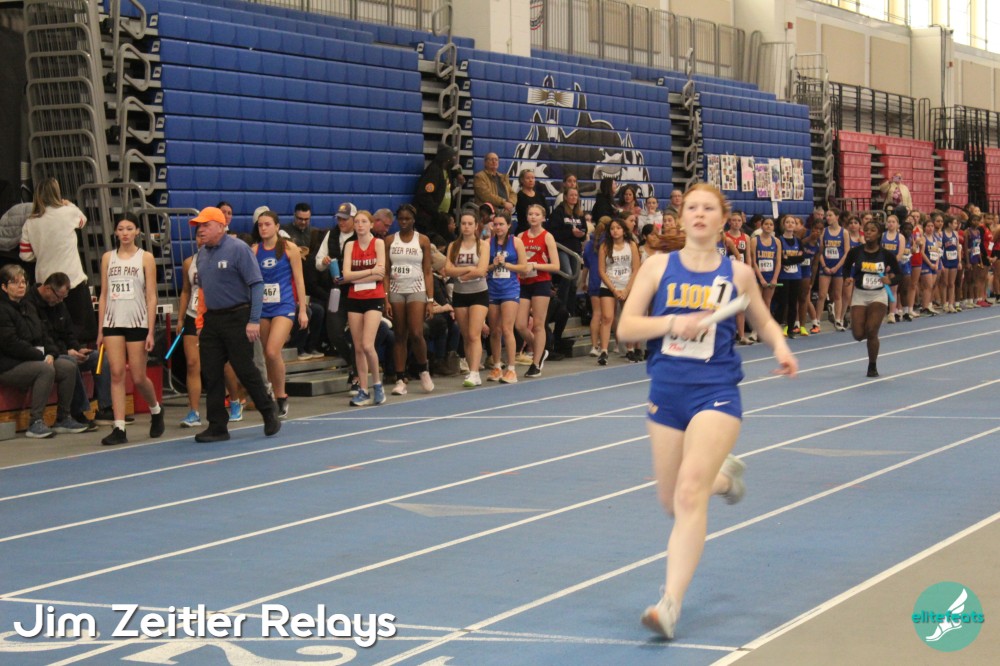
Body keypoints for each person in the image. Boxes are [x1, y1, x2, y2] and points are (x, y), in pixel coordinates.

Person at [616, 183, 797, 640]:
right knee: (671, 499)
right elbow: (626, 328)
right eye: (692, 207)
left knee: (688, 494)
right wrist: (673, 322)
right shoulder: (658, 266)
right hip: (666, 391)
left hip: (716, 391)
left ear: (723, 219)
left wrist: (780, 348)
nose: (698, 213)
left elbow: (763, 320)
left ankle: (670, 604)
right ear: (682, 217)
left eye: (708, 208)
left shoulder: (738, 274)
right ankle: (725, 477)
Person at [188, 206, 280, 442]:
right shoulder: (202, 254)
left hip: (238, 315)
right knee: (211, 373)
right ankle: (217, 425)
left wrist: (254, 320)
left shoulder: (238, 249)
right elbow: (203, 291)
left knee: (244, 368)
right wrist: (201, 321)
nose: (201, 230)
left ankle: (268, 411)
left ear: (221, 226)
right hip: (212, 319)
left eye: (206, 225)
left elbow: (256, 284)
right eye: (199, 226)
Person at [96, 213, 164, 446]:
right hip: (113, 322)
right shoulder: (108, 258)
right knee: (116, 373)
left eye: (129, 228)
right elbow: (103, 295)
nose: (125, 233)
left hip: (137, 322)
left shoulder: (145, 258)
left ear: (137, 232)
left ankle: (156, 410)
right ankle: (119, 427)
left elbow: (151, 296)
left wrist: (151, 331)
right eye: (121, 229)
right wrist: (100, 329)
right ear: (115, 232)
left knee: (138, 376)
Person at [0, 265, 88, 438]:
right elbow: (11, 344)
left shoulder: (28, 306)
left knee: (67, 367)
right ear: (3, 287)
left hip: (31, 359)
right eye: (15, 282)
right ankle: (35, 422)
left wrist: (52, 353)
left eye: (23, 282)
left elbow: (43, 335)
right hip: (8, 365)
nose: (21, 286)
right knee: (45, 369)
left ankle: (63, 418)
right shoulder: (2, 310)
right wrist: (41, 356)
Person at [25, 272, 107, 431]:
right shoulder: (30, 304)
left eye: (64, 297)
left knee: (98, 357)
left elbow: (69, 332)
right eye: (59, 297)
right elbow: (42, 338)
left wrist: (77, 348)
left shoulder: (59, 303)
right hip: (48, 353)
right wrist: (66, 352)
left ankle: (106, 408)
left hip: (65, 350)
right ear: (48, 289)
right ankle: (77, 412)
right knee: (69, 363)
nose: (61, 301)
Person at [19, 177, 96, 343]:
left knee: (51, 336)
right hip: (72, 282)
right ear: (56, 192)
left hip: (45, 284)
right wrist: (70, 204)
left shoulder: (30, 222)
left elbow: (25, 255)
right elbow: (82, 220)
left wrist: (43, 254)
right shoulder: (68, 212)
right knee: (80, 334)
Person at [251, 211, 310, 419]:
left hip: (284, 306)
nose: (263, 228)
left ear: (277, 227)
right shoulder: (255, 250)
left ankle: (282, 396)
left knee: (272, 350)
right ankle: (273, 393)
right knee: (268, 355)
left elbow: (299, 280)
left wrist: (302, 310)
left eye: (267, 224)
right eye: (260, 225)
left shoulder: (289, 248)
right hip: (263, 307)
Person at [385, 204, 435, 396]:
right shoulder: (390, 240)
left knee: (416, 332)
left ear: (413, 220)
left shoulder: (422, 240)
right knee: (399, 334)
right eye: (401, 219)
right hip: (396, 290)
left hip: (416, 289)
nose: (404, 222)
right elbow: (386, 272)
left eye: (407, 219)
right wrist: (386, 298)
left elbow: (428, 271)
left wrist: (430, 299)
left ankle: (423, 369)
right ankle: (400, 378)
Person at [843, 220, 900, 377]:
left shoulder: (886, 254)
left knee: (872, 330)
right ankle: (868, 333)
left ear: (879, 234)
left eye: (872, 230)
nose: (868, 232)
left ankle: (872, 365)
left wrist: (890, 280)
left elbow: (898, 274)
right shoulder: (856, 252)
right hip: (860, 294)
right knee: (858, 335)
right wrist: (847, 277)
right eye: (866, 230)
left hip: (878, 294)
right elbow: (846, 267)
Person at [342, 210, 388, 406]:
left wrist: (356, 276)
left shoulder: (378, 243)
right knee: (358, 347)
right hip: (354, 298)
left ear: (371, 224)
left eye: (363, 221)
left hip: (374, 298)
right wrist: (369, 271)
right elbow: (345, 275)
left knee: (368, 345)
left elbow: (380, 275)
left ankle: (377, 384)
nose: (360, 225)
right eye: (357, 222)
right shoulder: (349, 245)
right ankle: (363, 389)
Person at [444, 210, 490, 388]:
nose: (466, 227)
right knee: (465, 336)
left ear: (476, 225)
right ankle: (472, 369)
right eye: (463, 223)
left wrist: (462, 274)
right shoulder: (454, 246)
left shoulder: (482, 245)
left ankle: (475, 372)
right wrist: (469, 269)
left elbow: (482, 270)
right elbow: (448, 270)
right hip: (460, 294)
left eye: (470, 224)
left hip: (479, 293)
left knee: (473, 334)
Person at [315, 203, 358, 386]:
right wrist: (323, 262)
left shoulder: (362, 236)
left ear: (354, 219)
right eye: (339, 219)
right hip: (337, 290)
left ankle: (357, 375)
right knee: (334, 332)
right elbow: (318, 262)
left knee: (357, 335)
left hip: (357, 290)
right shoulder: (331, 235)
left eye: (345, 219)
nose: (341, 222)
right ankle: (352, 363)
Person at [515, 204, 560, 378]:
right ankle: (541, 350)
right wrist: (521, 268)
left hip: (541, 283)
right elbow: (518, 261)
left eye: (536, 214)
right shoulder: (520, 236)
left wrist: (535, 265)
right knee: (520, 324)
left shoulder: (547, 236)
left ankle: (536, 363)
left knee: (539, 324)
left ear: (543, 217)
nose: (533, 217)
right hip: (524, 283)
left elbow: (555, 266)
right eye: (530, 214)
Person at [486, 210, 528, 384]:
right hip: (492, 289)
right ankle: (497, 366)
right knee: (494, 330)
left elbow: (524, 267)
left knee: (507, 329)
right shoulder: (487, 243)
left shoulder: (516, 242)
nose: (498, 227)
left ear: (509, 225)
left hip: (510, 289)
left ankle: (511, 369)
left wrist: (507, 265)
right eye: (495, 224)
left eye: (501, 224)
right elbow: (483, 268)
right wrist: (492, 265)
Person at [597, 217, 640, 364]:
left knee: (628, 318)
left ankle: (630, 349)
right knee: (607, 317)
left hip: (627, 285)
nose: (615, 231)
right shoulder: (605, 246)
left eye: (618, 228)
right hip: (609, 286)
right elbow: (601, 270)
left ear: (624, 230)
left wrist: (627, 289)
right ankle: (603, 351)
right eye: (612, 228)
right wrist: (614, 290)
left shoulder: (631, 245)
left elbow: (636, 268)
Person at [176, 244, 203, 427]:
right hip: (193, 316)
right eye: (198, 235)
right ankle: (194, 412)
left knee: (224, 365)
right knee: (192, 364)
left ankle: (234, 400)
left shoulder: (224, 258)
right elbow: (186, 290)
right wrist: (180, 318)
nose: (202, 239)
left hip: (215, 316)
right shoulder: (189, 262)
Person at [415, 143, 465, 240]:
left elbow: (453, 172)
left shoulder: (446, 169)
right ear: (446, 158)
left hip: (442, 217)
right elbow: (424, 195)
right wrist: (437, 212)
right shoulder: (433, 171)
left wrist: (458, 174)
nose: (454, 158)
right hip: (431, 219)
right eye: (452, 156)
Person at [816, 209, 850, 330]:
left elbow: (846, 252)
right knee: (822, 295)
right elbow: (820, 251)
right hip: (825, 266)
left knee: (837, 295)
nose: (828, 218)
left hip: (838, 267)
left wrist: (837, 267)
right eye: (827, 216)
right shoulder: (824, 232)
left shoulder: (844, 232)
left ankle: (838, 320)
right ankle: (817, 321)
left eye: (830, 215)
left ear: (837, 217)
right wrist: (824, 266)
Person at [751, 217, 781, 318]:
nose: (768, 226)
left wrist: (775, 278)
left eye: (771, 224)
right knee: (757, 303)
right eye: (766, 224)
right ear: (761, 226)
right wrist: (761, 279)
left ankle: (766, 325)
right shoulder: (754, 241)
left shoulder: (777, 241)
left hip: (770, 276)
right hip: (758, 276)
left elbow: (778, 262)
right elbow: (753, 261)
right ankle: (756, 327)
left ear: (774, 227)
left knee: (767, 303)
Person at [514, 169, 549, 233]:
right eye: (528, 178)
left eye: (533, 178)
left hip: (540, 230)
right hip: (524, 230)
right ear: (522, 180)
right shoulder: (518, 196)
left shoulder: (540, 196)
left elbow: (547, 212)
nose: (531, 180)